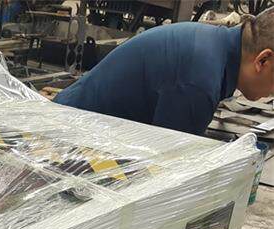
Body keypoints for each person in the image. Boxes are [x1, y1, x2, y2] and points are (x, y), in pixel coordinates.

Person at [54, 10, 274, 135]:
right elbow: (168, 169)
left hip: (81, 128)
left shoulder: (215, 48)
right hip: (65, 138)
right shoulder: (199, 82)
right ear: (262, 60)